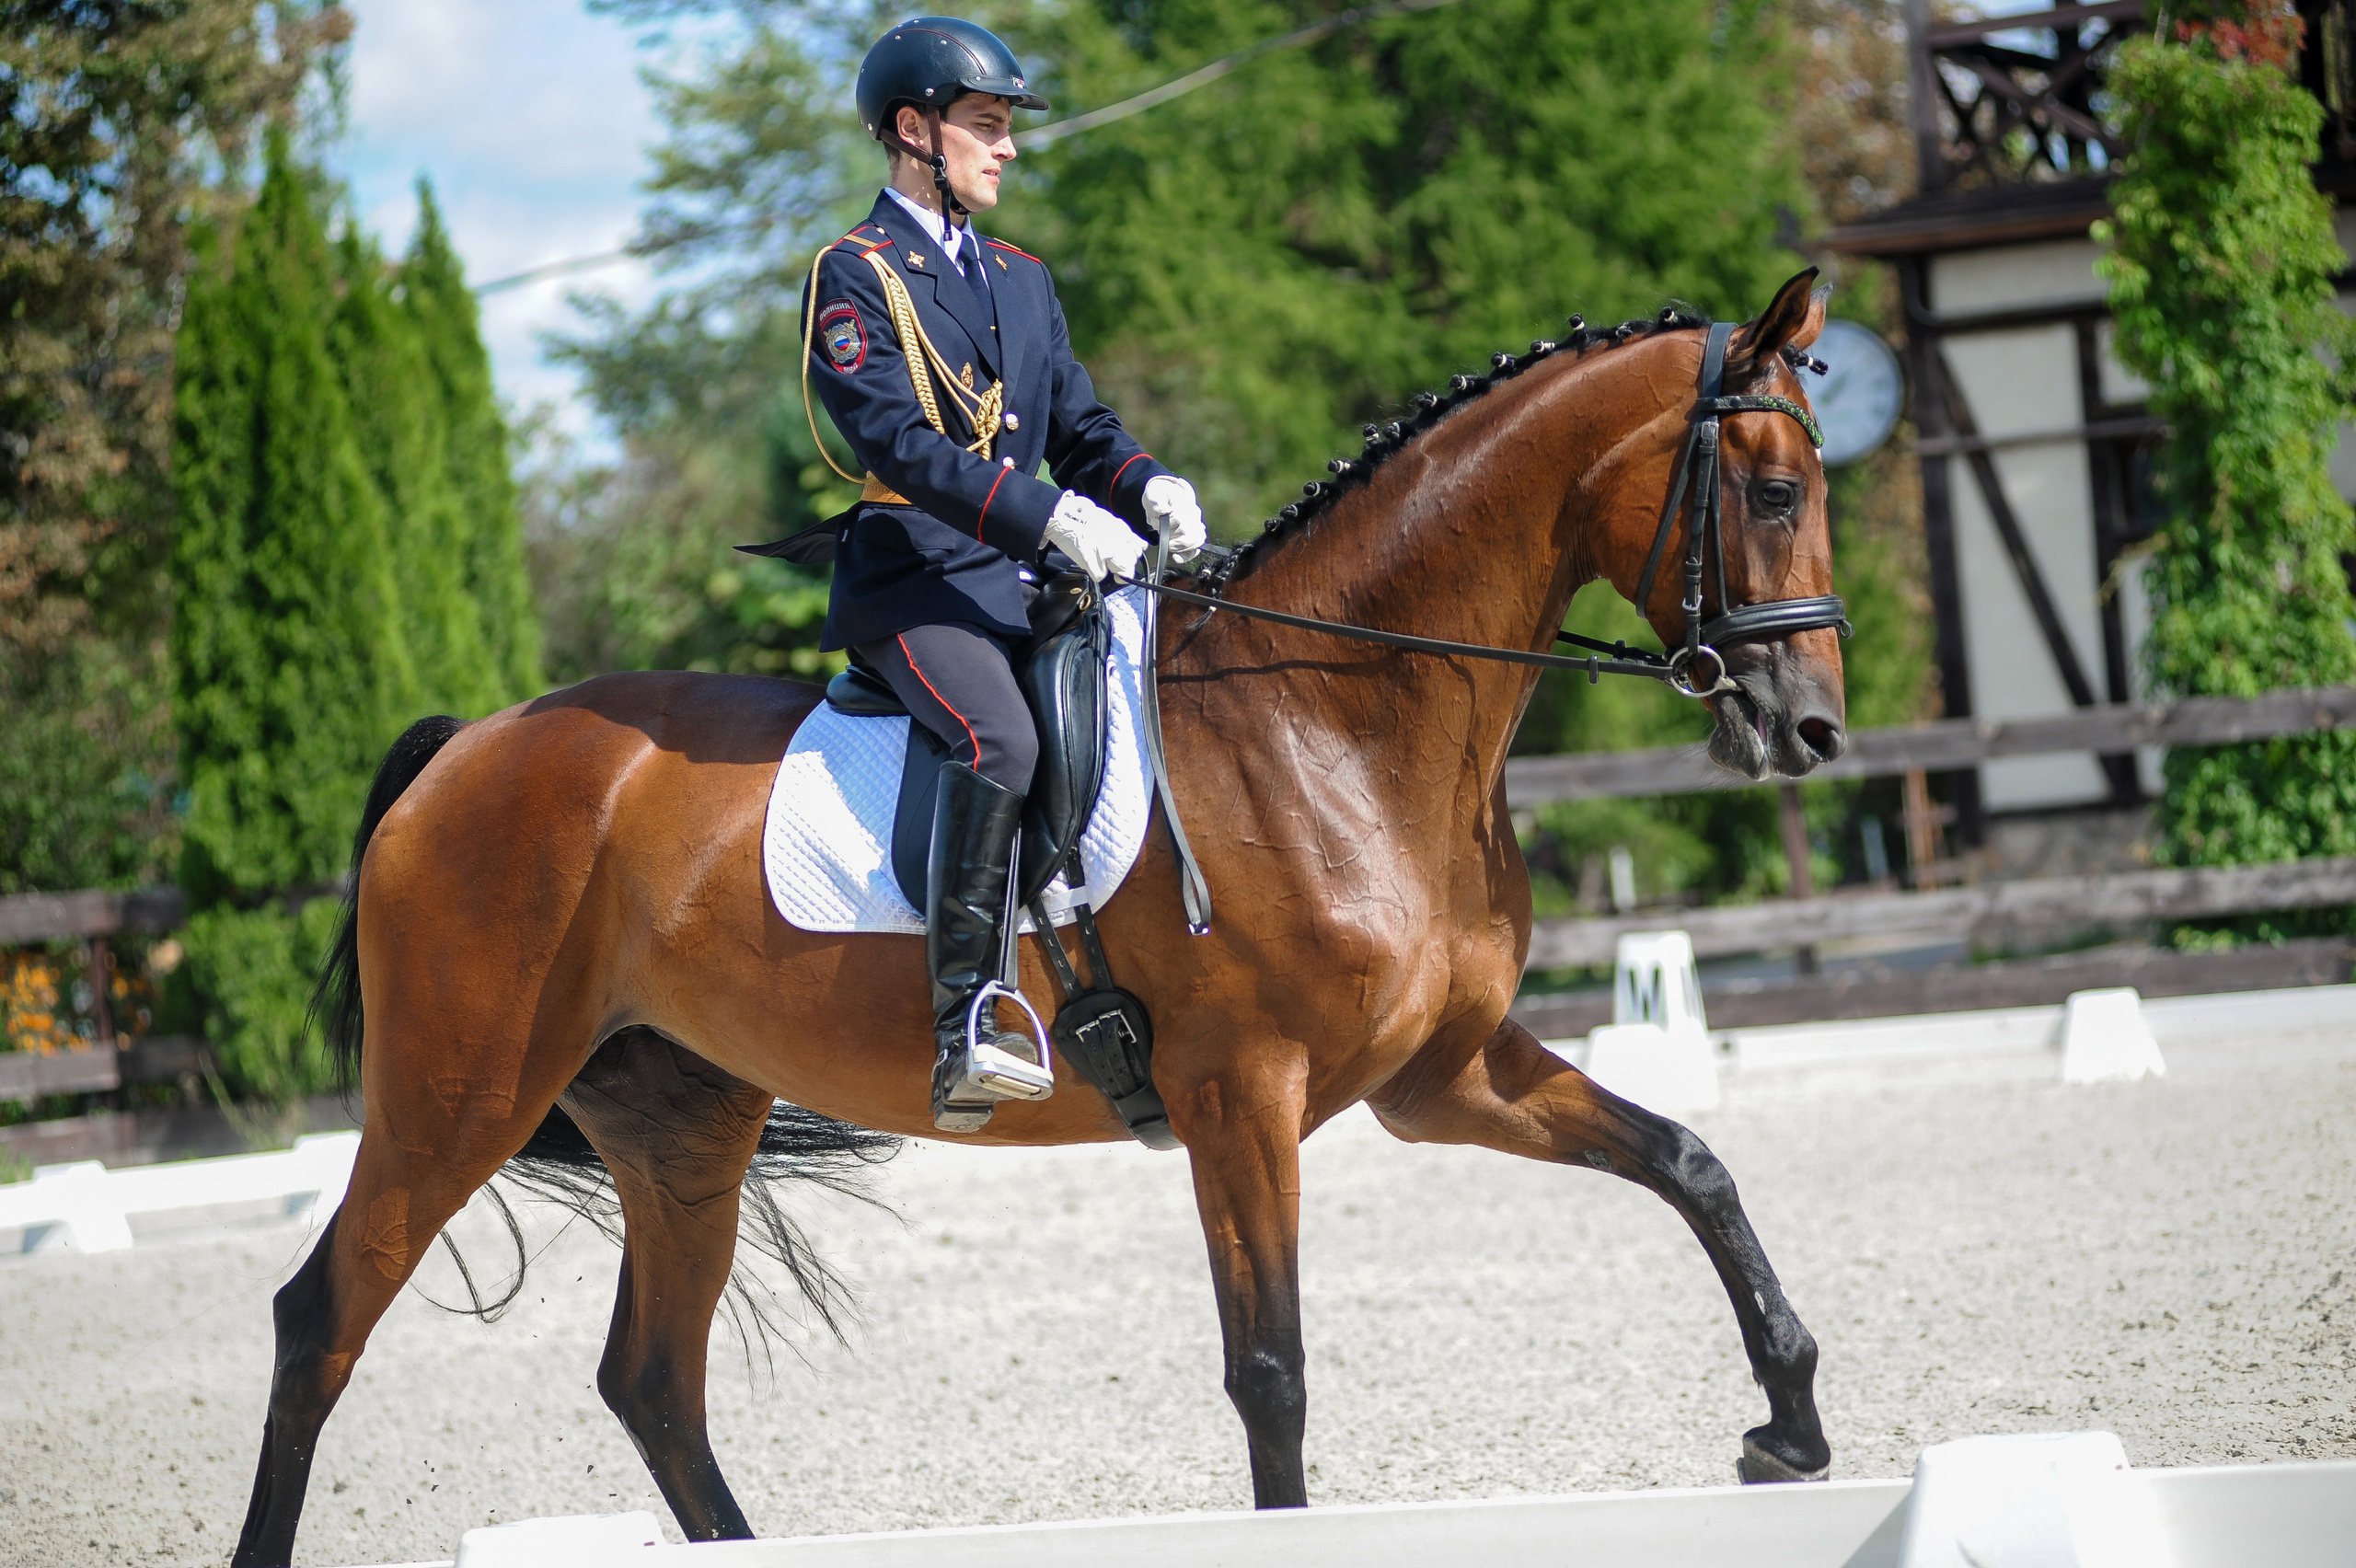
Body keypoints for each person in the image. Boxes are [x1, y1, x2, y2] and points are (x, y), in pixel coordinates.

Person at [786, 17, 1207, 1132]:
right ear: (913, 131)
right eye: (985, 123)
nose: (1008, 147)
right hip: (915, 583)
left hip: (1023, 579)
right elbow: (897, 444)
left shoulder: (1021, 278)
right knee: (1000, 739)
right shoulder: (856, 274)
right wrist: (1046, 512)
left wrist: (1147, 485)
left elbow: (1080, 427)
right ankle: (967, 1019)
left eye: (1007, 126)